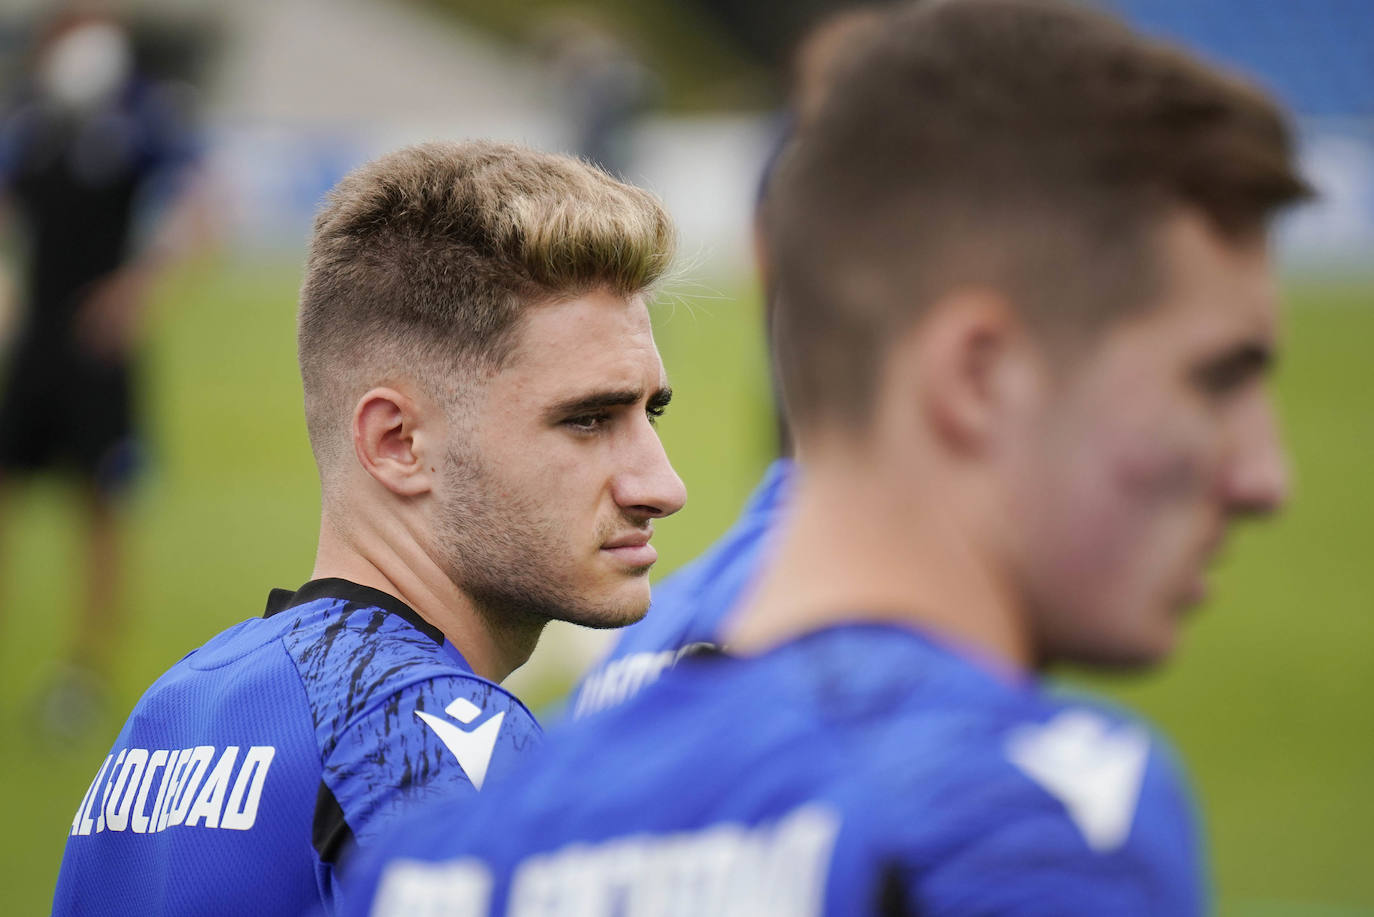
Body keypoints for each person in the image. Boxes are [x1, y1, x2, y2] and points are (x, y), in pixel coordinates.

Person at [340, 1, 1310, 914]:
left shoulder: (437, 857)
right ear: (978, 376)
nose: (1264, 474)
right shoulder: (1034, 819)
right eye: (1212, 380)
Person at [51, 140, 686, 915]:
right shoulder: (429, 737)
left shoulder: (163, 724)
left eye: (649, 412)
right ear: (397, 443)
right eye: (587, 419)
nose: (662, 485)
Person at [571, 6, 885, 719]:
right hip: (803, 340)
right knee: (795, 466)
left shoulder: (883, 154)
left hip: (828, 341)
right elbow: (764, 232)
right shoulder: (792, 145)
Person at [0, 9, 203, 725]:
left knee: (101, 507)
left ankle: (86, 673)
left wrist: (136, 294)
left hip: (98, 350)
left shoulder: (142, 114)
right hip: (34, 344)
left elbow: (201, 205)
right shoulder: (35, 119)